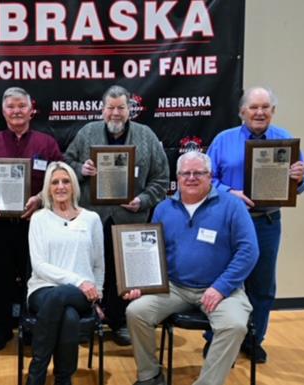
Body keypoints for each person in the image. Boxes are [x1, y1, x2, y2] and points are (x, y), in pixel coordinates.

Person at [125, 151, 259, 385]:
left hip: (221, 289)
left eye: (199, 173)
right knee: (136, 312)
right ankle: (150, 376)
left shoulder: (232, 206)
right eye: (186, 173)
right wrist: (143, 284)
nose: (192, 178)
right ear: (178, 177)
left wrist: (221, 287)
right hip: (175, 287)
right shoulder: (163, 208)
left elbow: (249, 251)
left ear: (210, 176)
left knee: (234, 325)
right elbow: (152, 253)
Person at [206, 86, 304, 363]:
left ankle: (254, 339)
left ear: (273, 112)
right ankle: (215, 339)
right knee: (222, 280)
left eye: (265, 107)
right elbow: (209, 180)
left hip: (266, 222)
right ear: (242, 112)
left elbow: (303, 183)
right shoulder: (223, 140)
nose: (259, 112)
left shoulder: (285, 140)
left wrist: (298, 178)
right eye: (253, 107)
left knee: (262, 286)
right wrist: (230, 193)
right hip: (228, 223)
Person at [64, 85, 169, 345]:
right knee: (89, 270)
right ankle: (89, 321)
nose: (115, 113)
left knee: (126, 275)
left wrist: (143, 199)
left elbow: (162, 178)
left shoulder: (146, 136)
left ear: (130, 109)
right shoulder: (87, 132)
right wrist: (81, 168)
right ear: (102, 109)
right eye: (110, 107)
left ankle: (121, 322)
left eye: (121, 107)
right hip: (91, 218)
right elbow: (65, 165)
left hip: (130, 219)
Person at [0, 86, 63, 351]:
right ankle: (1, 330)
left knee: (36, 279)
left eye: (22, 106)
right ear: (3, 111)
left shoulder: (47, 143)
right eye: (11, 106)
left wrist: (42, 199)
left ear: (31, 109)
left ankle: (33, 328)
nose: (17, 111)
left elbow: (59, 178)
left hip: (37, 224)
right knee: (0, 279)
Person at [25, 161, 104, 385]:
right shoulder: (39, 218)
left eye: (66, 181)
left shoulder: (91, 219)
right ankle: (63, 379)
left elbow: (99, 264)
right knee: (67, 314)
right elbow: (39, 265)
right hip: (43, 289)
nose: (60, 186)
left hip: (83, 293)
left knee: (63, 299)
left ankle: (37, 373)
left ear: (74, 186)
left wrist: (97, 294)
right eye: (55, 182)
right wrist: (78, 281)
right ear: (48, 188)